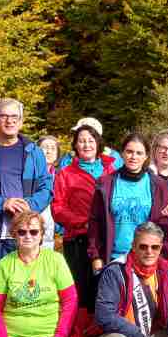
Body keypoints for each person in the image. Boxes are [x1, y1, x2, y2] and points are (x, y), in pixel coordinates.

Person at [0, 98, 54, 273]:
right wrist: (1, 203)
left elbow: (47, 186)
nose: (9, 121)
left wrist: (30, 205)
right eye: (4, 116)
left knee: (23, 286)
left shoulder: (33, 151)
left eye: (14, 117)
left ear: (21, 122)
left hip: (25, 232)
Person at [49, 122, 114, 309]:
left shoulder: (111, 170)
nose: (87, 145)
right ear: (75, 146)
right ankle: (79, 334)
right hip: (79, 239)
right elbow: (58, 208)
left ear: (98, 143)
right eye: (82, 141)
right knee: (81, 290)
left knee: (107, 287)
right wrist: (83, 222)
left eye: (91, 140)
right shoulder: (66, 174)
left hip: (107, 238)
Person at [87, 132, 168, 269]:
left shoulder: (158, 185)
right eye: (129, 152)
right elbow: (94, 222)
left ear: (146, 156)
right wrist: (95, 256)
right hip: (114, 258)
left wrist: (164, 260)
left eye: (139, 153)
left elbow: (164, 226)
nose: (134, 157)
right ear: (122, 154)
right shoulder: (105, 184)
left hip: (146, 259)